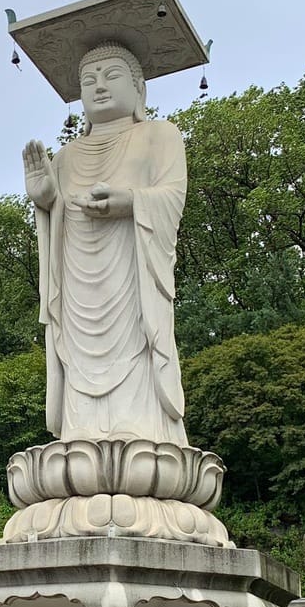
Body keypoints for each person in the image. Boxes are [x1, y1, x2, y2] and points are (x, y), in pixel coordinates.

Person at [23, 42, 188, 445]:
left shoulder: (159, 136)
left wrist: (131, 202)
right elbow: (55, 213)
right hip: (78, 287)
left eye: (111, 76)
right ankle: (79, 436)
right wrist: (46, 200)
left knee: (135, 347)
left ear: (139, 89)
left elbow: (173, 195)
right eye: (88, 80)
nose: (98, 87)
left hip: (131, 277)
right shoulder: (63, 158)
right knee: (77, 359)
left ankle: (146, 434)